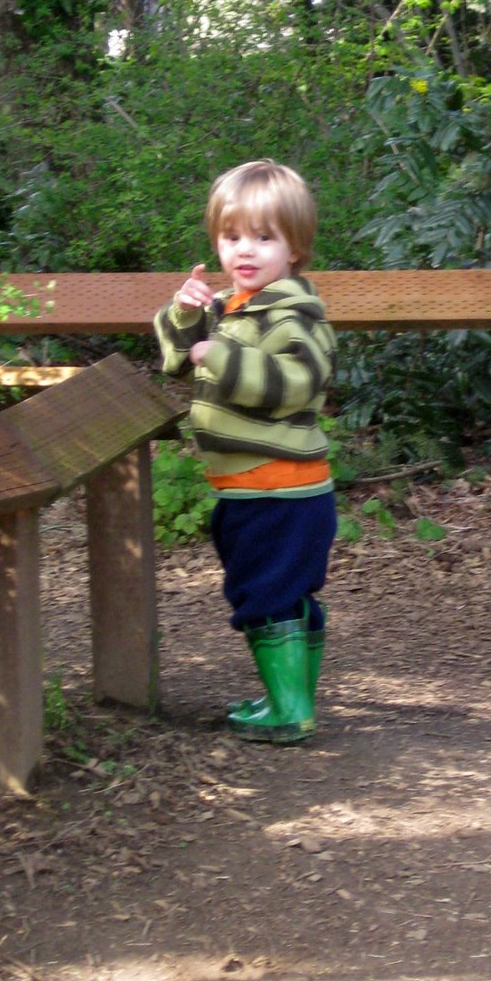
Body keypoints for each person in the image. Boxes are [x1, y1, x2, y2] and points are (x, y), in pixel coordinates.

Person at [155, 160, 337, 742]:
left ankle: (289, 711)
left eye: (263, 237)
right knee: (284, 591)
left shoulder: (292, 315)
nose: (245, 250)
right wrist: (185, 314)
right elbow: (176, 358)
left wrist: (223, 357)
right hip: (252, 487)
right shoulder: (230, 308)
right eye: (232, 236)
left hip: (278, 489)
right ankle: (293, 698)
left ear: (295, 248)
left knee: (265, 594)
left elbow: (298, 383)